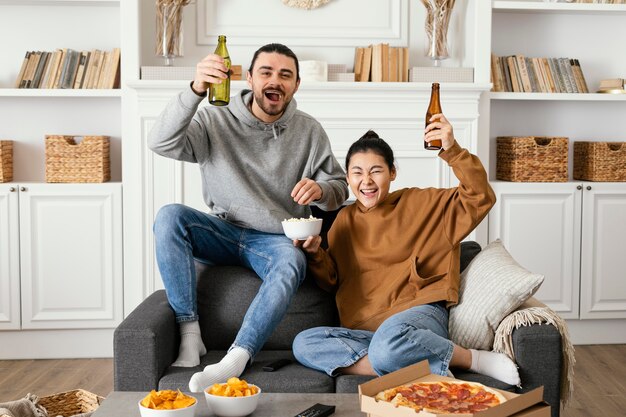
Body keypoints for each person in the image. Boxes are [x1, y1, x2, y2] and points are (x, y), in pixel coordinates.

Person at [147, 43, 349, 392]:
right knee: (169, 216)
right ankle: (190, 335)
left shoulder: (309, 130)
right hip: (223, 229)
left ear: (296, 84)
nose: (276, 81)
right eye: (267, 72)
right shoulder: (213, 118)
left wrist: (320, 190)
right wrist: (195, 90)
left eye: (286, 75)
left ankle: (237, 356)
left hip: (275, 239)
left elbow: (340, 187)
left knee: (291, 259)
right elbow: (161, 142)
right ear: (250, 78)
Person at [292, 116, 521, 386]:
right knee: (303, 343)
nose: (366, 181)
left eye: (376, 170)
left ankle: (473, 359)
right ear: (347, 178)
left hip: (418, 318)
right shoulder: (343, 220)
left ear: (392, 173)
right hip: (367, 332)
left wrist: (452, 149)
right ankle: (414, 364)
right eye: (357, 172)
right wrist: (316, 253)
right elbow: (332, 281)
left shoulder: (422, 203)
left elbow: (480, 195)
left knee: (389, 343)